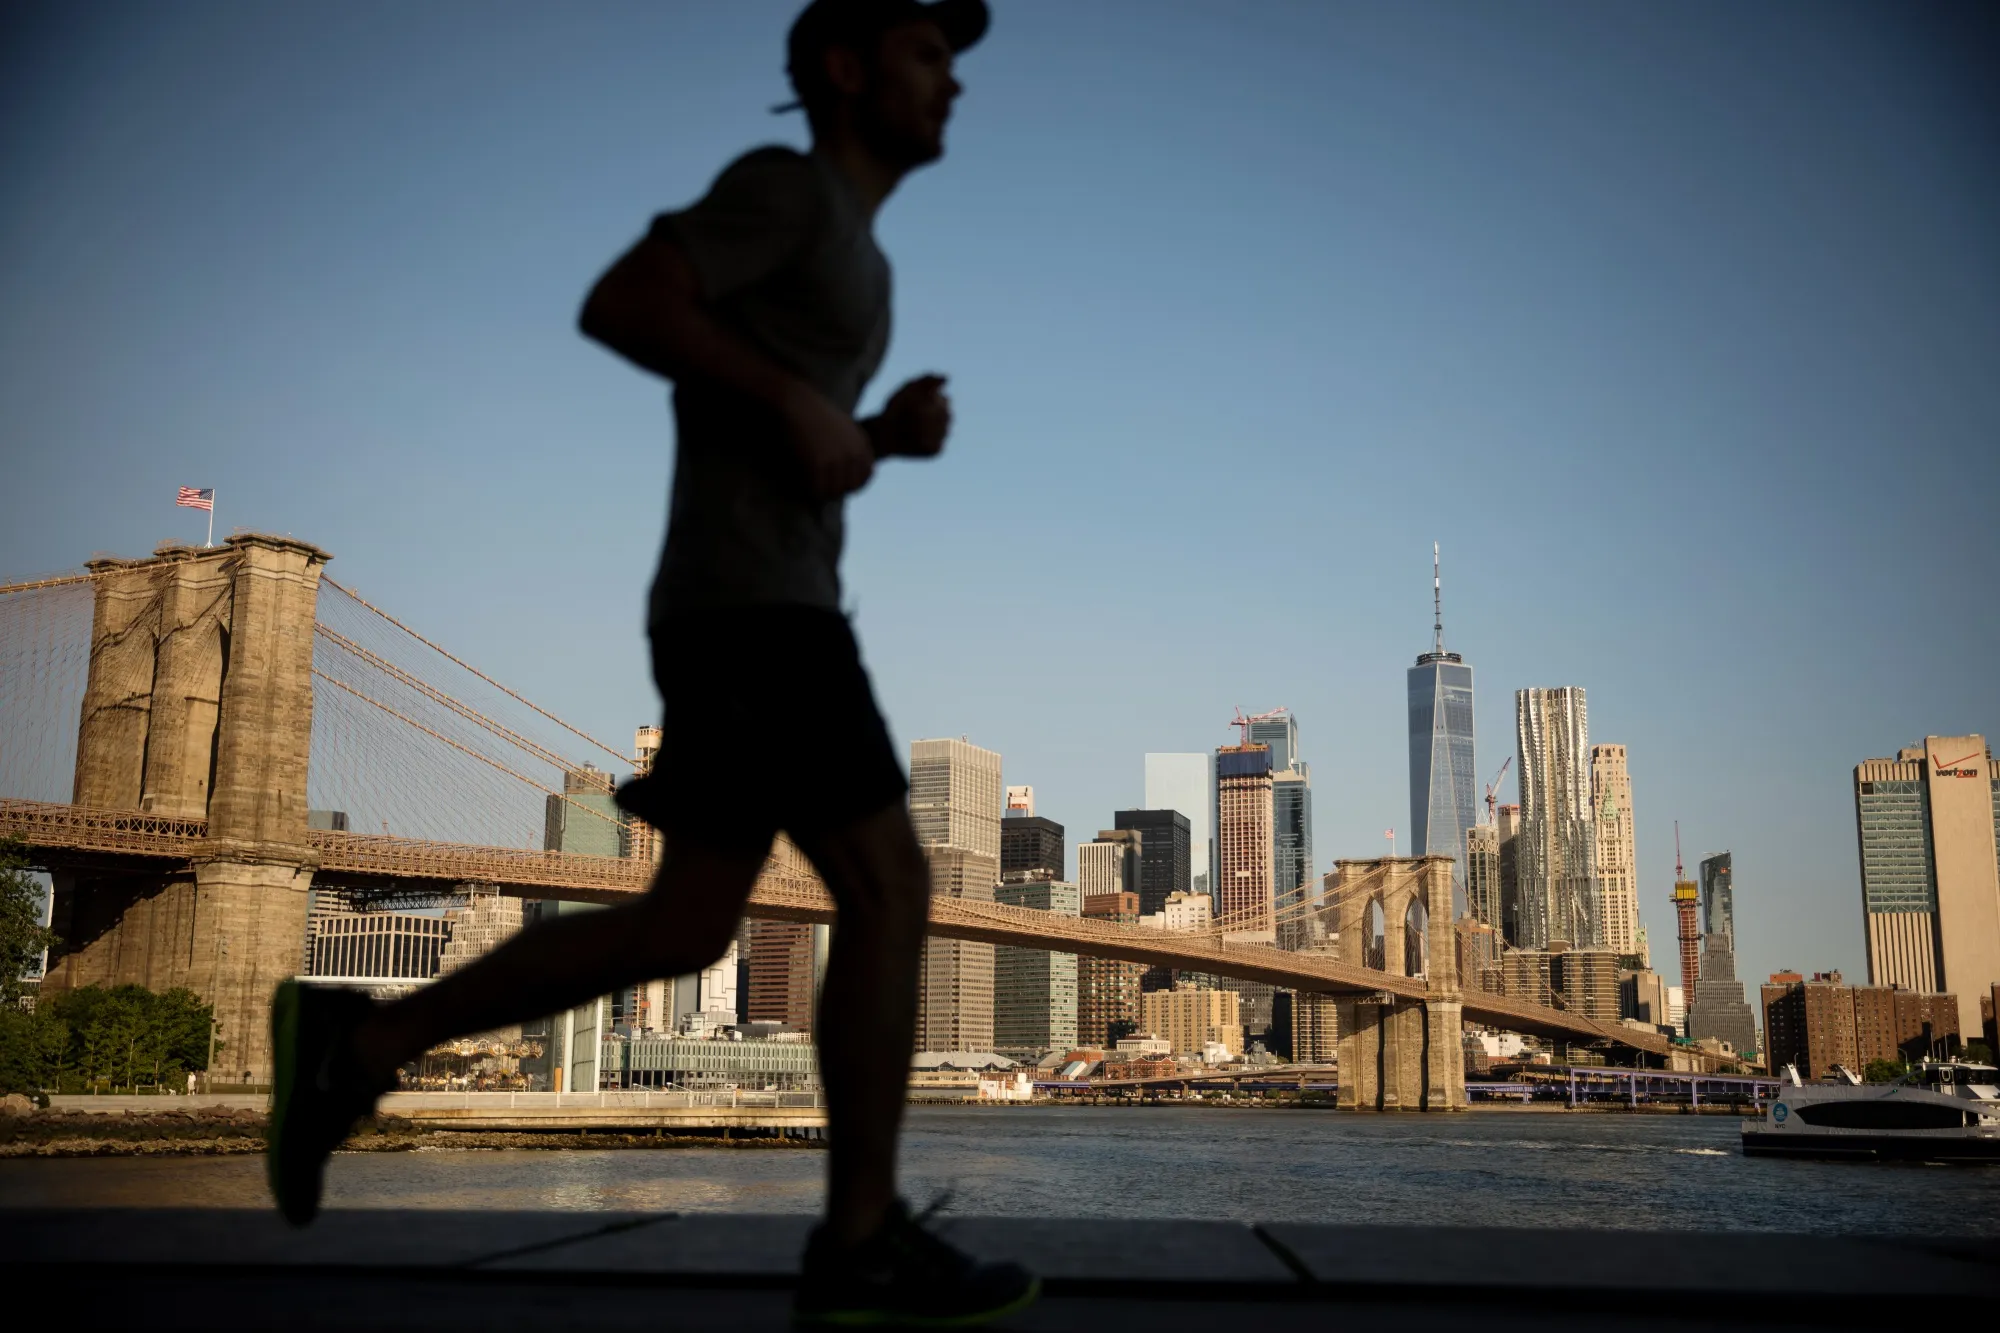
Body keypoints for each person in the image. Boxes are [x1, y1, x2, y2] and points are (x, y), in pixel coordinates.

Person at [265, 0, 1038, 1323]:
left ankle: (364, 1040)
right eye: (928, 53)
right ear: (847, 68)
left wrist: (868, 435)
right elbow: (626, 300)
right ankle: (858, 1246)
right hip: (759, 611)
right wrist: (803, 402)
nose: (955, 83)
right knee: (893, 887)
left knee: (690, 925)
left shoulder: (860, 253)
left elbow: (769, 432)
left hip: (747, 599)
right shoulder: (784, 190)